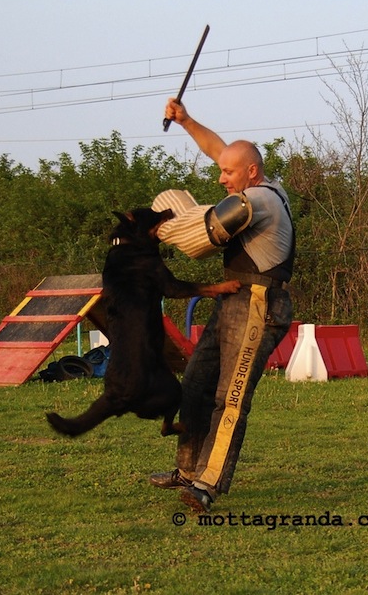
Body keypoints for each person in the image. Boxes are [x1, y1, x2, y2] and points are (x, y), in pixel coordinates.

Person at [149, 98, 295, 513]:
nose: (220, 177)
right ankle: (188, 468)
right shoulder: (250, 180)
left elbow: (206, 236)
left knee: (230, 397)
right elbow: (218, 149)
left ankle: (207, 485)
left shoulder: (259, 201)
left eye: (228, 172)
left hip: (259, 303)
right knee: (195, 382)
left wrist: (165, 227)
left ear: (251, 172)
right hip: (234, 298)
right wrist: (186, 120)